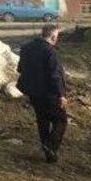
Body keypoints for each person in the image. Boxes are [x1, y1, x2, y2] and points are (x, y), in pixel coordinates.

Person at [16, 24, 67, 163]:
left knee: (42, 120)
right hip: (50, 94)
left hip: (33, 92)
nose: (57, 39)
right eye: (57, 36)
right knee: (61, 121)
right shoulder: (50, 52)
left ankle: (49, 155)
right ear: (53, 36)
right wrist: (61, 95)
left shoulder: (27, 48)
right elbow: (54, 75)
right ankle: (50, 146)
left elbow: (20, 68)